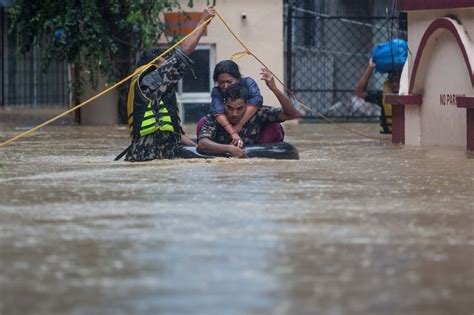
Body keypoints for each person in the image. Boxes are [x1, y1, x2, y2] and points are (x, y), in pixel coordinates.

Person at [122, 6, 215, 162]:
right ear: (155, 64)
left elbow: (176, 134)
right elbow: (182, 55)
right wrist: (202, 21)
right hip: (149, 158)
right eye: (164, 59)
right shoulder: (150, 81)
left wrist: (198, 150)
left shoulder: (154, 91)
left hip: (158, 157)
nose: (167, 62)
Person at [197, 68, 301, 158]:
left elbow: (292, 114)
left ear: (247, 105)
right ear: (224, 104)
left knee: (274, 126)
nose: (234, 113)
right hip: (224, 154)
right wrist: (229, 148)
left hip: (257, 156)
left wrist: (274, 88)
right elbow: (203, 143)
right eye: (230, 108)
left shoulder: (258, 113)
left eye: (239, 108)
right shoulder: (215, 117)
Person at [196, 60, 284, 146]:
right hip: (228, 125)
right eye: (221, 83)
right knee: (203, 121)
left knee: (273, 124)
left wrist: (240, 124)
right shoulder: (216, 91)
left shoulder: (248, 83)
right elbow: (217, 111)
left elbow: (256, 101)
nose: (225, 86)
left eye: (229, 82)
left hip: (250, 120)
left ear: (238, 80)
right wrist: (233, 132)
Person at [354, 58, 400, 134]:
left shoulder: (412, 97)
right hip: (387, 140)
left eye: (398, 80)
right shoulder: (382, 96)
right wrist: (370, 68)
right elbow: (359, 92)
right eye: (392, 80)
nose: (395, 84)